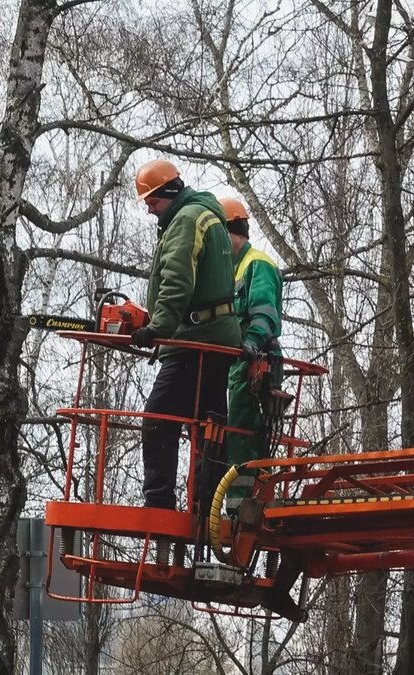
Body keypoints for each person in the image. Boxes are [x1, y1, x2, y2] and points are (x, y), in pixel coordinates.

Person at [131, 159, 241, 511]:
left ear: (169, 192)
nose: (150, 210)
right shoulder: (207, 215)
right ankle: (206, 505)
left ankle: (159, 502)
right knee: (209, 428)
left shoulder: (185, 219)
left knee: (158, 420)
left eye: (152, 202)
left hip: (196, 340)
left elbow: (177, 280)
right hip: (218, 339)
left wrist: (158, 328)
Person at [218, 197, 283, 516]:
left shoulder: (258, 264)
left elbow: (264, 313)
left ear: (231, 231)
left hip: (255, 362)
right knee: (225, 435)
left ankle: (242, 508)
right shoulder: (224, 272)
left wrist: (251, 342)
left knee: (244, 435)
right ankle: (227, 504)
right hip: (234, 364)